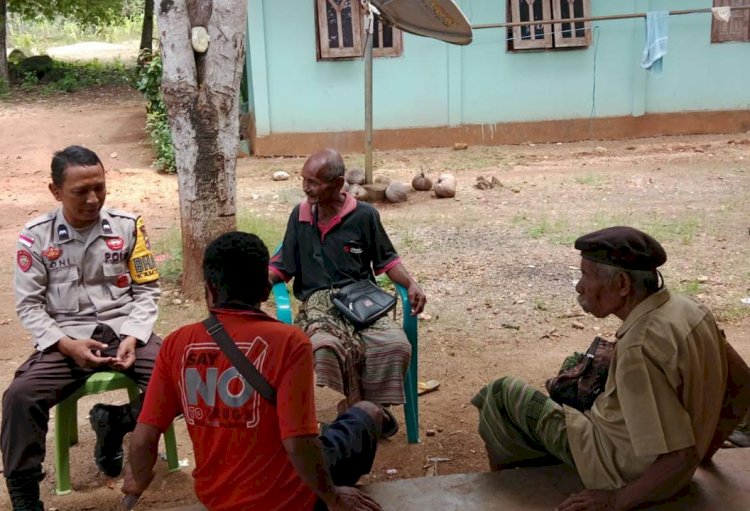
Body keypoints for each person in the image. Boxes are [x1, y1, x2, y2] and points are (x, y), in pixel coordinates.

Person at [471, 226, 750, 511]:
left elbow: (679, 457)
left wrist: (615, 499)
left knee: (500, 394)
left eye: (585, 276)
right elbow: (743, 384)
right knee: (574, 365)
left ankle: (505, 492)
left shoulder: (638, 349)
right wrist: (707, 449)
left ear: (622, 284)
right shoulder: (690, 308)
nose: (579, 287)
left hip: (620, 469)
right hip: (643, 452)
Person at [123, 231, 392, 510]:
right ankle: (380, 418)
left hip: (218, 500)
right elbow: (298, 443)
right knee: (367, 413)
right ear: (265, 290)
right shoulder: (290, 342)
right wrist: (333, 497)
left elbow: (144, 438)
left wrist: (136, 483)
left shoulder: (176, 344)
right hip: (291, 499)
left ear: (209, 290)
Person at [2, 145, 161, 510]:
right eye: (80, 192)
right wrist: (64, 344)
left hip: (125, 330)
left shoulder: (127, 226)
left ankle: (116, 422)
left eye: (100, 188)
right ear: (55, 191)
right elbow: (29, 304)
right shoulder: (35, 236)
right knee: (19, 397)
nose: (93, 199)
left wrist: (134, 337)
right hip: (68, 337)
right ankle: (25, 496)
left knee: (181, 377)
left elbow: (147, 290)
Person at [268, 148, 426, 409]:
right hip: (318, 303)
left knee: (396, 345)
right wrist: (257, 284)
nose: (306, 188)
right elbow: (283, 265)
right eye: (304, 180)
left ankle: (365, 411)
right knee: (326, 346)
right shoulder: (300, 216)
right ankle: (364, 412)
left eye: (314, 183)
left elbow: (387, 260)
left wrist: (410, 283)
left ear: (338, 184)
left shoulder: (364, 216)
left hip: (361, 299)